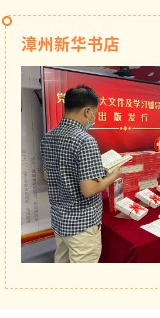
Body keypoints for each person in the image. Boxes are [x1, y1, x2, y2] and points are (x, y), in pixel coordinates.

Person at [42, 84, 106, 263]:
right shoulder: (85, 140)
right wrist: (113, 176)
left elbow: (47, 176)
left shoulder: (48, 137)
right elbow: (88, 190)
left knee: (62, 262)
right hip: (82, 224)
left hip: (60, 219)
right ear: (87, 111)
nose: (94, 118)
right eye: (94, 114)